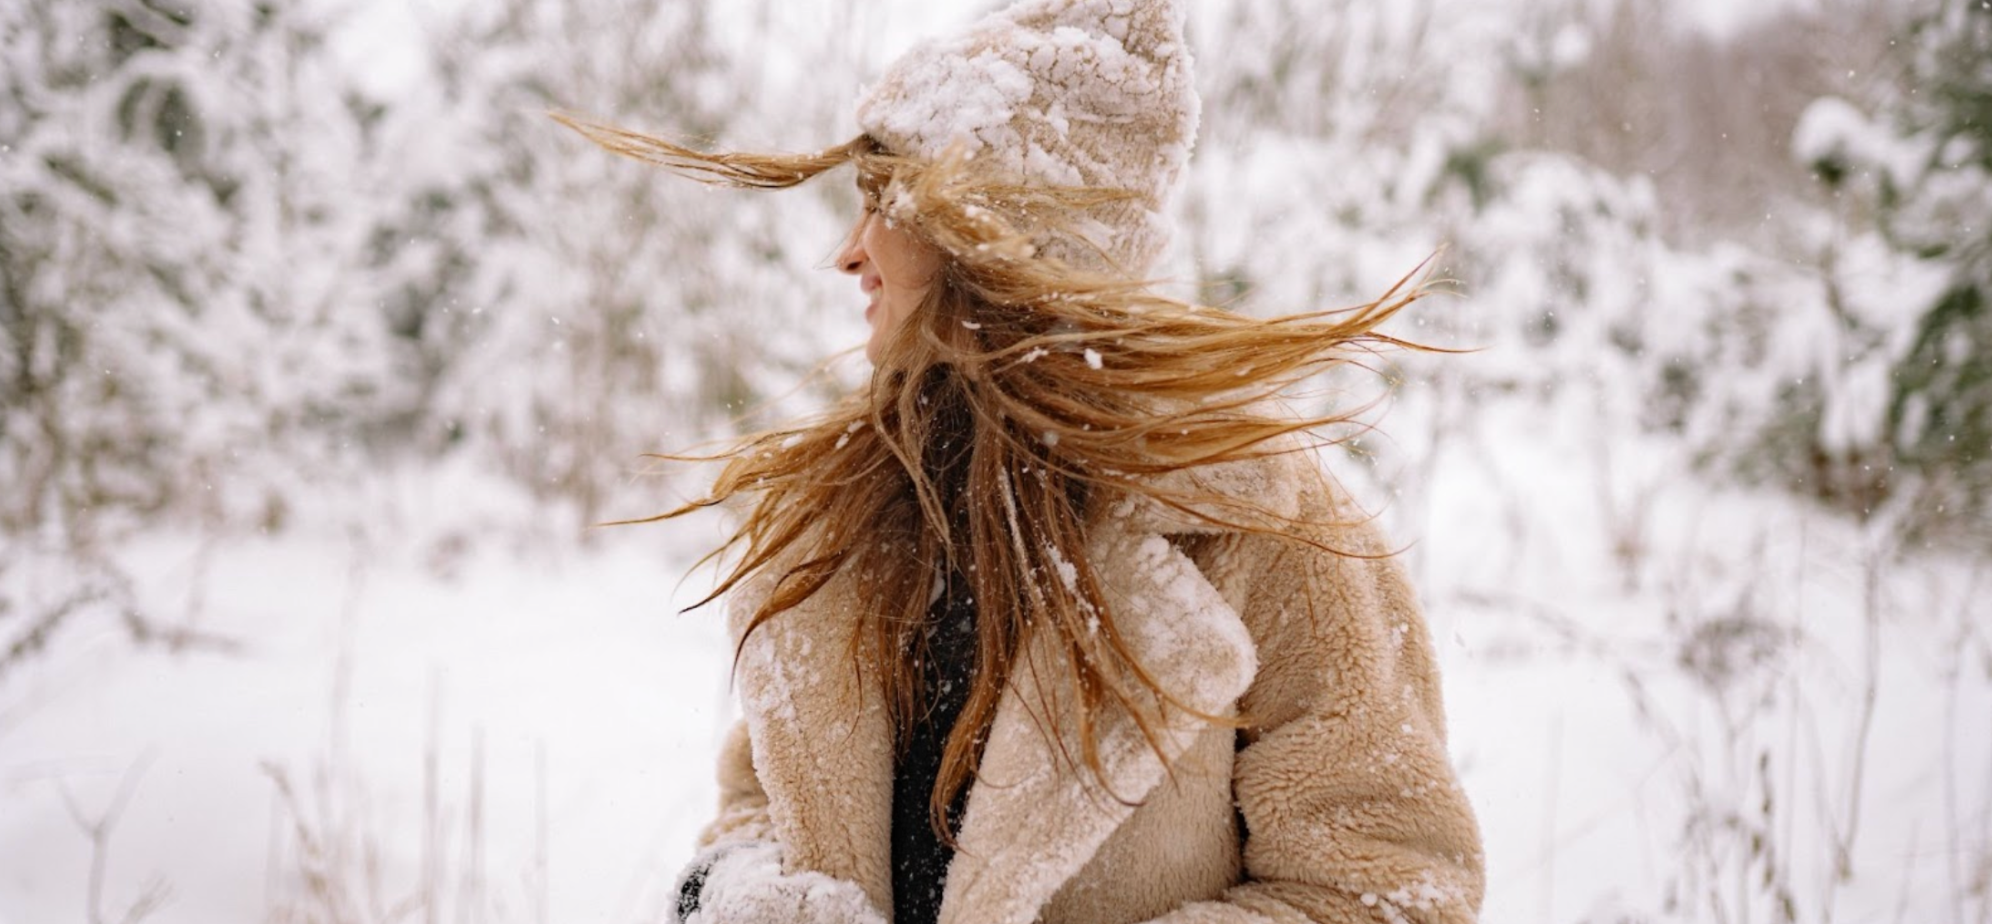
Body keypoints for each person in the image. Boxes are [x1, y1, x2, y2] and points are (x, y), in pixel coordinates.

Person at [560, 1, 1484, 922]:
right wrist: (740, 897)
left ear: (1002, 231)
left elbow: (1387, 888)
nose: (849, 254)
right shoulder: (853, 519)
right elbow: (762, 807)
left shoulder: (1264, 530)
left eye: (885, 203)